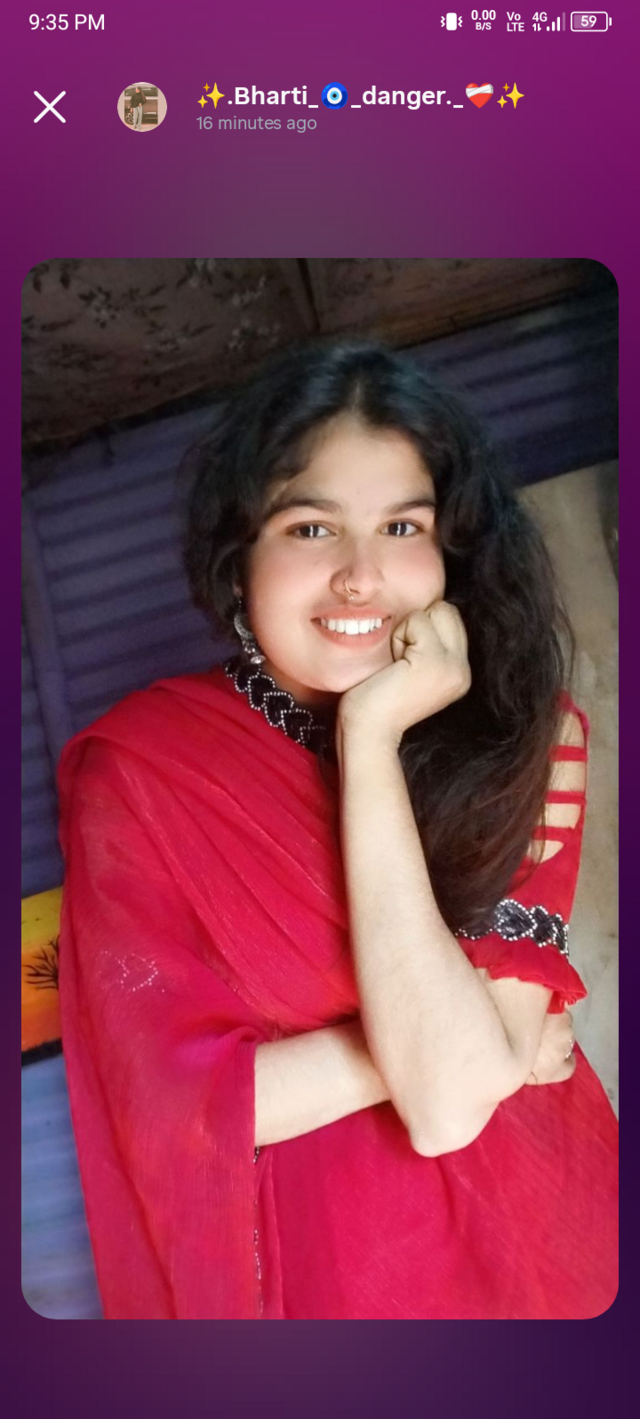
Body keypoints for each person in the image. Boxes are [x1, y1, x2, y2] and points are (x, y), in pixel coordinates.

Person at [57, 341, 618, 1319]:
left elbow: (446, 1107)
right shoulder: (142, 774)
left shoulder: (528, 738)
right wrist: (477, 1042)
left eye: (402, 525)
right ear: (240, 559)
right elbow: (173, 1113)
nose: (360, 576)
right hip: (339, 1286)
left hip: (556, 1250)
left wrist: (371, 737)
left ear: (450, 551)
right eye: (311, 526)